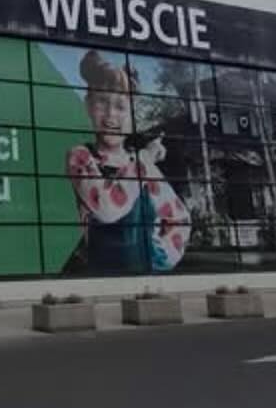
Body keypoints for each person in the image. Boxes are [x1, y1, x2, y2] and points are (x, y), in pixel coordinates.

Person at [61, 50, 191, 274]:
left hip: (144, 278)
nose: (111, 115)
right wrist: (146, 159)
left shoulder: (139, 163)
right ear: (88, 105)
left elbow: (179, 219)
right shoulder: (81, 157)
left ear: (132, 113)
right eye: (102, 103)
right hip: (100, 275)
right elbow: (107, 209)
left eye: (121, 107)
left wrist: (158, 259)